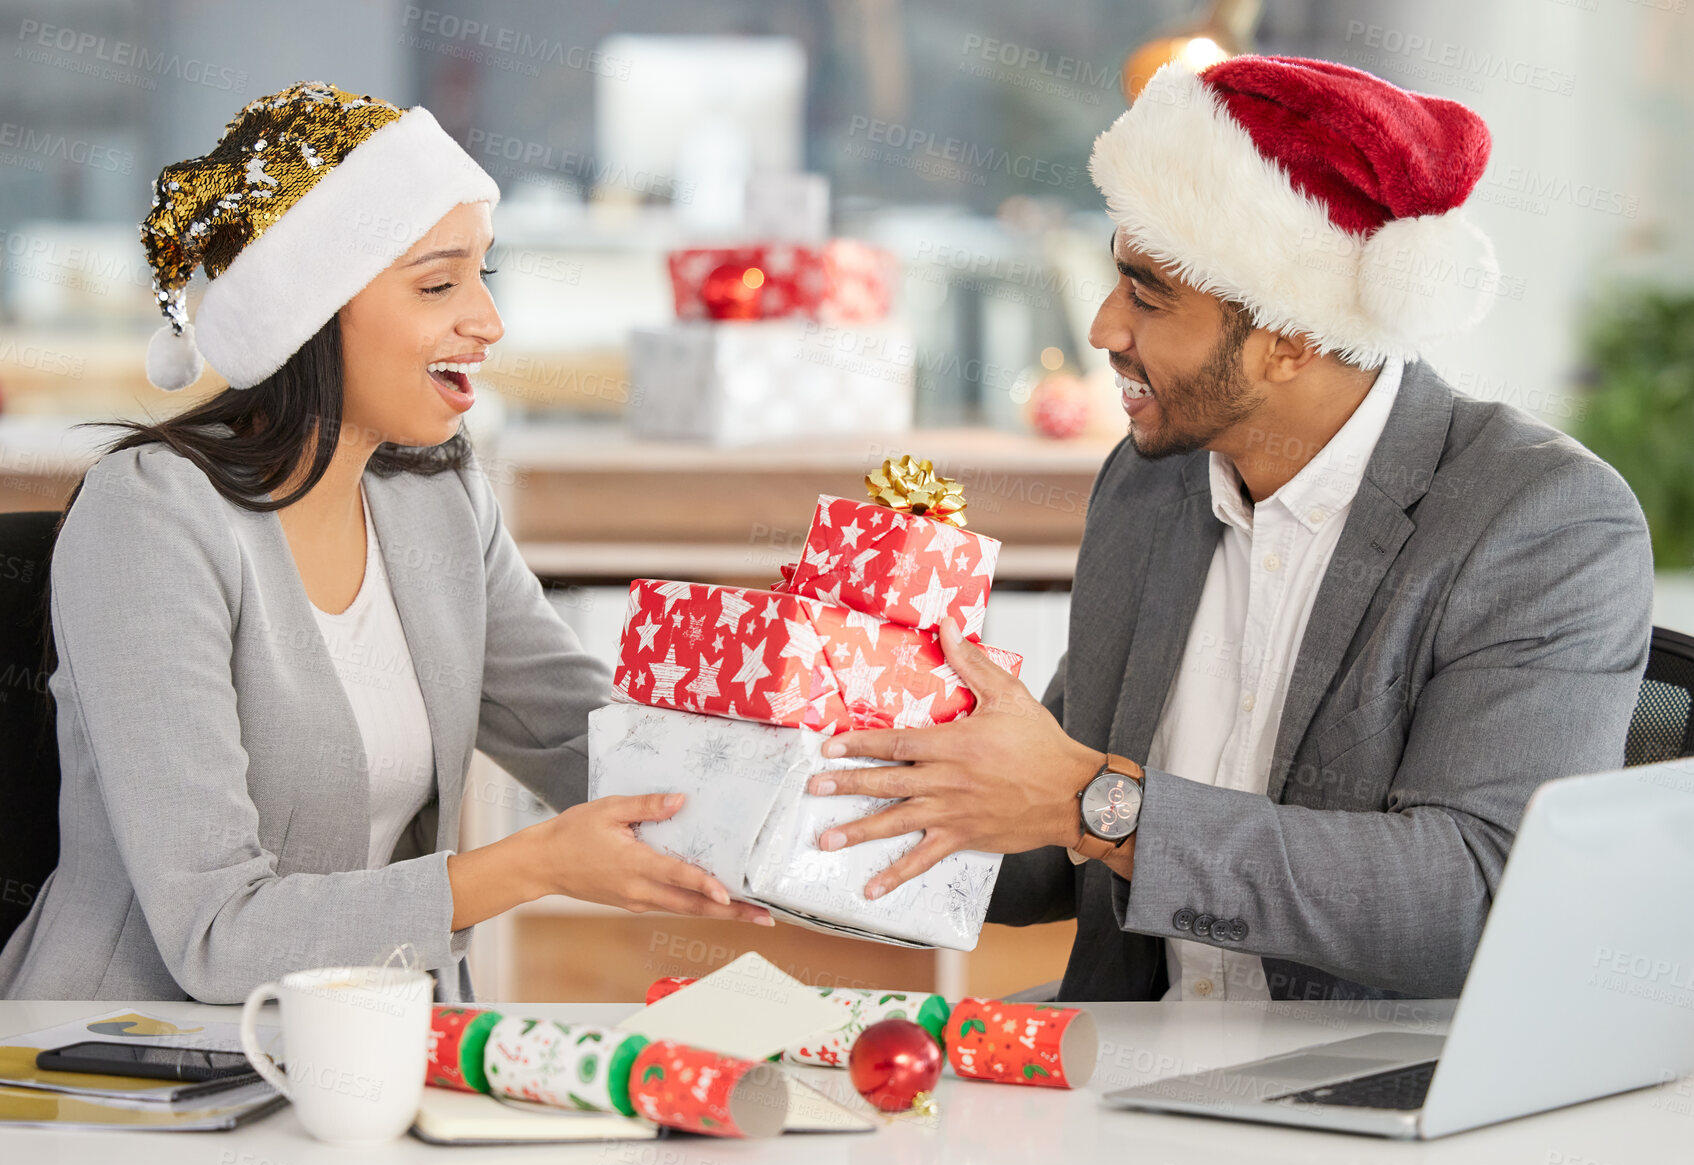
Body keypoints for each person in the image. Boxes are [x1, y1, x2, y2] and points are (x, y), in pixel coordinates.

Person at [804, 56, 1655, 1001]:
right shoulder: (1150, 485)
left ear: (1291, 337)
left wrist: (1097, 805)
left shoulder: (1540, 521)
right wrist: (812, 796)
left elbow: (1473, 899)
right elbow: (1047, 841)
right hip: (1127, 1072)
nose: (1102, 327)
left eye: (1148, 294)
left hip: (1375, 1105)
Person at [0, 81, 770, 1005]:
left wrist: (818, 790)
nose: (486, 320)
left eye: (483, 273)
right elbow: (214, 934)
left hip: (356, 1047)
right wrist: (534, 865)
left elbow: (587, 739)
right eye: (438, 283)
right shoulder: (154, 517)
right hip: (129, 1064)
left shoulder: (436, 496)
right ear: (311, 310)